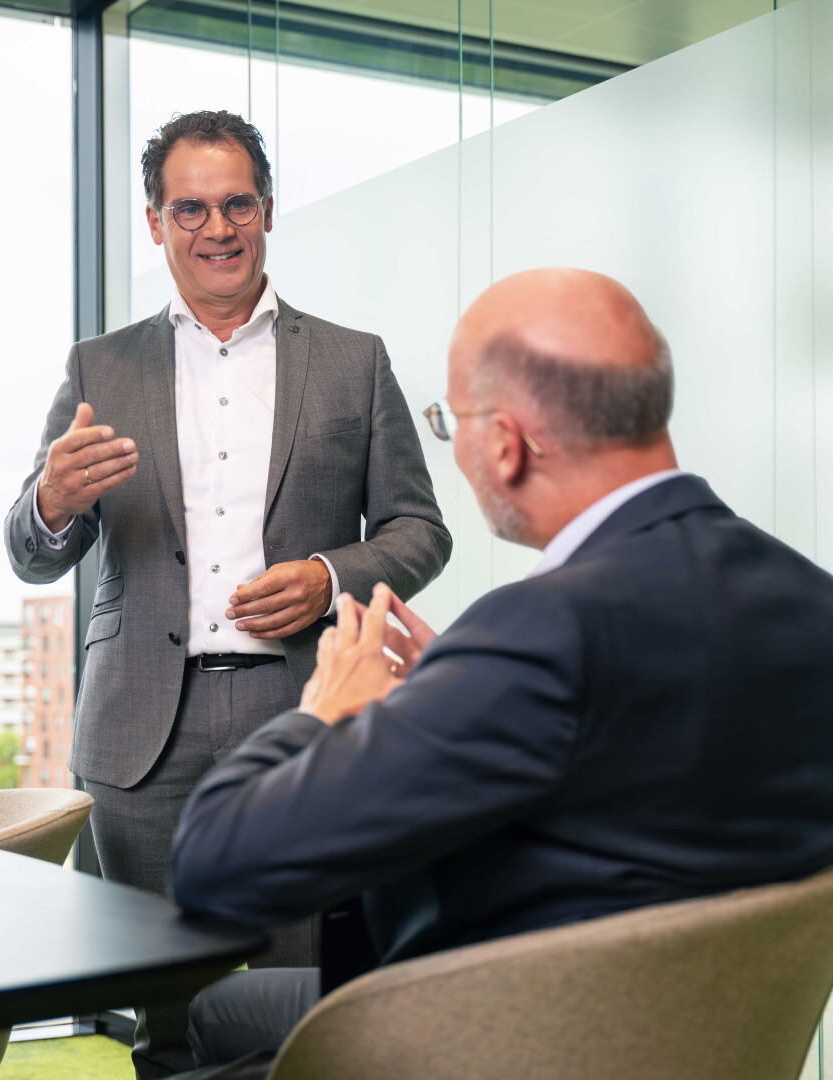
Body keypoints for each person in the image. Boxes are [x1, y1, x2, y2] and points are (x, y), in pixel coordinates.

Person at [169, 267, 833, 1077]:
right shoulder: (810, 599)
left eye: (449, 422)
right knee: (227, 1012)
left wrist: (326, 712)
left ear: (507, 444)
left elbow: (214, 864)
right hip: (702, 1037)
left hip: (516, 1035)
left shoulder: (543, 633)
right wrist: (461, 692)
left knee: (212, 1029)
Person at [4, 110, 451, 1078]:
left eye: (238, 204)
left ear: (269, 210)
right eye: (191, 209)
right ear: (156, 222)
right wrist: (51, 501)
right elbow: (31, 555)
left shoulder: (353, 360)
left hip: (303, 712)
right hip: (140, 733)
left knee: (306, 1013)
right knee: (165, 1019)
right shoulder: (99, 366)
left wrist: (329, 578)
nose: (218, 228)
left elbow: (420, 530)